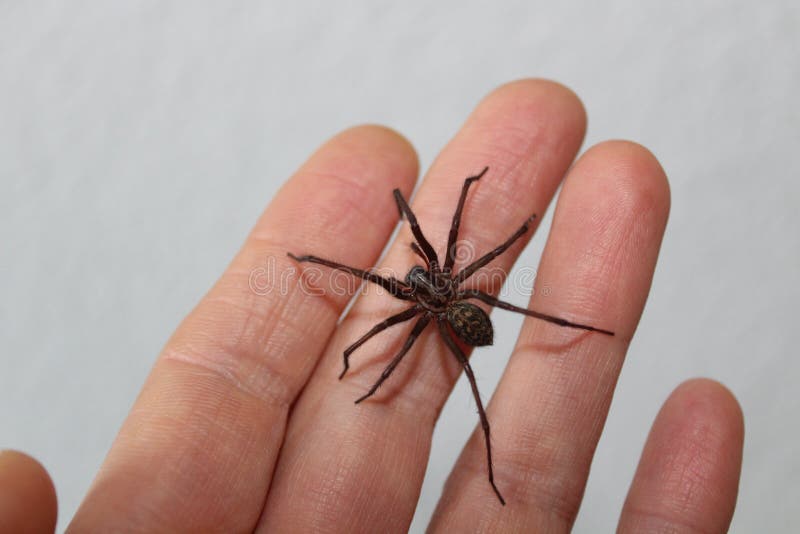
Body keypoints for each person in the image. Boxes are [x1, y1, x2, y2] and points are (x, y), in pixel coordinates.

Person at [0, 79, 743, 533]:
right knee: (456, 338)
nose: (418, 282)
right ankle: (498, 447)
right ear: (428, 289)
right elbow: (388, 294)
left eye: (422, 281)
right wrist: (359, 352)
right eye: (420, 282)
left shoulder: (435, 295)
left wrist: (474, 191)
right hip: (456, 316)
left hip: (461, 315)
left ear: (428, 287)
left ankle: (574, 335)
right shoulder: (426, 303)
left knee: (493, 324)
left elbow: (442, 230)